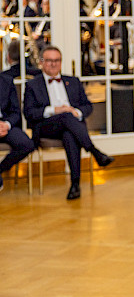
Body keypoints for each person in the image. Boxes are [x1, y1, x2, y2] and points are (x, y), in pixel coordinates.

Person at [23, 46, 114, 200]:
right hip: (46, 126)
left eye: (56, 60)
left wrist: (75, 112)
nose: (53, 64)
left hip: (70, 126)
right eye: (49, 60)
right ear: (42, 62)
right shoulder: (32, 85)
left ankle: (75, 185)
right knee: (65, 117)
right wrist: (54, 110)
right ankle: (94, 151)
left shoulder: (73, 81)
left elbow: (87, 106)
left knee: (69, 134)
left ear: (61, 62)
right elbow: (29, 113)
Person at [0, 72, 36, 192]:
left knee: (27, 144)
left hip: (5, 124)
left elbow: (15, 112)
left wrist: (7, 124)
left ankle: (0, 169)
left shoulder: (7, 81)